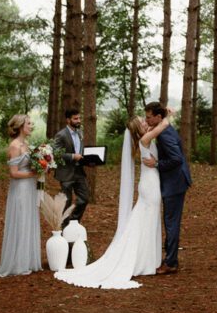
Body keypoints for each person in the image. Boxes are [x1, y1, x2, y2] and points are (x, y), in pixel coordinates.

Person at [55, 115, 170, 289]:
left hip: (151, 184)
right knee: (145, 220)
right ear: (138, 129)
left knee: (147, 221)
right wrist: (167, 114)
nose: (146, 122)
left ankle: (148, 259)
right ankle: (144, 260)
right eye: (143, 121)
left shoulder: (145, 137)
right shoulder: (145, 138)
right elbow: (165, 124)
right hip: (150, 186)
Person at [142, 102, 192, 275]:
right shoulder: (162, 128)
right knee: (170, 222)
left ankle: (171, 262)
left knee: (171, 223)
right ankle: (170, 259)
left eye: (149, 117)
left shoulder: (164, 135)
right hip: (174, 181)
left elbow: (177, 158)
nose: (146, 119)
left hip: (174, 183)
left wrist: (157, 164)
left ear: (158, 117)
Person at [0, 114, 42, 277]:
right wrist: (32, 174)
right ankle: (17, 262)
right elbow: (13, 173)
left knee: (28, 219)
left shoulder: (26, 144)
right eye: (29, 123)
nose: (31, 126)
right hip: (20, 188)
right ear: (21, 126)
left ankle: (27, 259)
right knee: (21, 220)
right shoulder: (15, 145)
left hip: (29, 187)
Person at [53, 107, 90, 231]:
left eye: (79, 118)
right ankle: (63, 228)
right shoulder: (61, 135)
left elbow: (80, 151)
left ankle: (73, 222)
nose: (78, 120)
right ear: (68, 120)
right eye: (75, 118)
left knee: (84, 198)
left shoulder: (80, 133)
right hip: (66, 173)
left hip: (79, 172)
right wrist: (73, 156)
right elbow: (56, 154)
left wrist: (89, 160)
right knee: (66, 203)